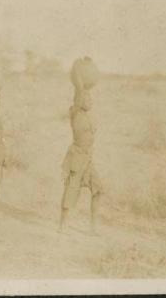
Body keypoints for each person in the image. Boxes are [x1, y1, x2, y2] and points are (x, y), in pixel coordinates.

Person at [59, 88, 102, 233]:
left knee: (98, 189)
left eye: (91, 99)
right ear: (79, 101)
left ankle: (93, 227)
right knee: (71, 191)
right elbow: (76, 102)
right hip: (76, 158)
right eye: (87, 99)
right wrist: (81, 85)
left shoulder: (88, 117)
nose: (91, 102)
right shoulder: (75, 114)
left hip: (88, 158)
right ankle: (63, 225)